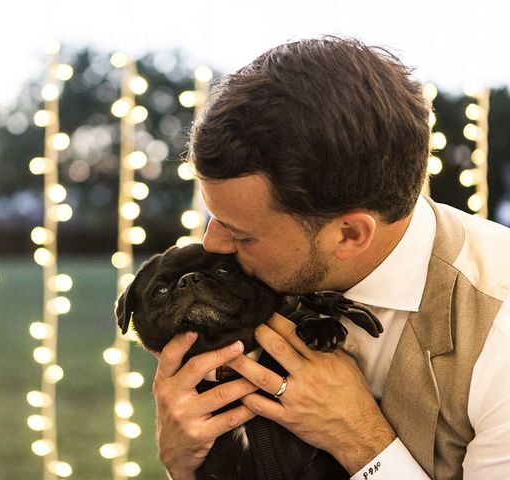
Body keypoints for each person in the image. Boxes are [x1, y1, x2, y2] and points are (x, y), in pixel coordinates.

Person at [151, 36, 510, 480]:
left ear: (349, 234)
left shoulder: (500, 327)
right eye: (214, 216)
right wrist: (184, 463)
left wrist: (360, 440)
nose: (213, 245)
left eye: (243, 235)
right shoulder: (252, 282)